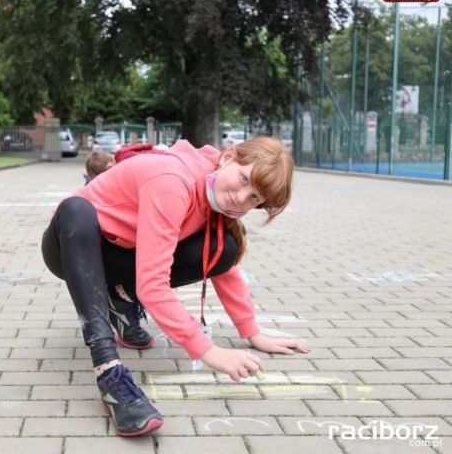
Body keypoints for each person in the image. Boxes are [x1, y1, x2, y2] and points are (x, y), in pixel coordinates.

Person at [41, 137, 309, 437]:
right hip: (72, 249)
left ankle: (120, 295)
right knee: (76, 208)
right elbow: (152, 284)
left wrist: (252, 331)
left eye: (254, 198)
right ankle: (109, 371)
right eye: (244, 179)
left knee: (226, 247)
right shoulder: (173, 180)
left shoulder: (216, 194)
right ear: (228, 156)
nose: (241, 197)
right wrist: (206, 350)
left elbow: (223, 266)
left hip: (123, 254)